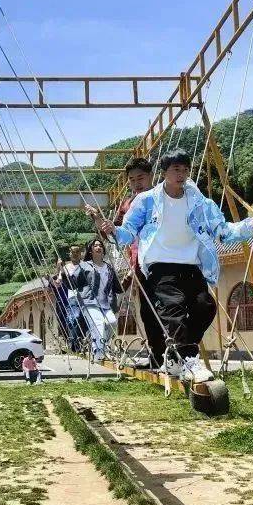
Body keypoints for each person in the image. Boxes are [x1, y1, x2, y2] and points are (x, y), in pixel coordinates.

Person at [89, 149, 253, 378]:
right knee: (173, 312)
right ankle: (189, 361)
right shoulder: (146, 201)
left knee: (205, 307)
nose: (181, 174)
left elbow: (222, 230)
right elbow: (127, 233)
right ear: (164, 172)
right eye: (176, 169)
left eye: (185, 170)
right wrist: (112, 229)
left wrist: (251, 224)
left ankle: (174, 357)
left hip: (191, 266)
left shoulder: (200, 202)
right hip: (160, 267)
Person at [114, 157, 166, 369]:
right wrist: (100, 222)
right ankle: (157, 356)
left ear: (151, 176)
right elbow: (115, 232)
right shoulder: (127, 204)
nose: (137, 183)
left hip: (165, 259)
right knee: (147, 311)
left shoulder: (163, 197)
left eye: (141, 178)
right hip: (140, 263)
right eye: (132, 180)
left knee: (168, 309)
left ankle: (176, 355)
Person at [72, 238, 123, 362]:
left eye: (100, 245)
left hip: (106, 303)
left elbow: (118, 287)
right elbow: (73, 282)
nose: (98, 247)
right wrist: (63, 274)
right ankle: (98, 352)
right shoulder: (84, 265)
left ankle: (101, 344)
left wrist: (128, 278)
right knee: (98, 323)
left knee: (112, 322)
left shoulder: (109, 267)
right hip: (89, 302)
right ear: (90, 250)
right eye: (95, 246)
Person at [52, 246, 88, 354]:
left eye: (77, 252)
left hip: (86, 297)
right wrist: (58, 269)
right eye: (73, 252)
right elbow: (57, 284)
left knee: (86, 319)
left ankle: (85, 342)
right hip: (73, 298)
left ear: (81, 254)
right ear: (70, 254)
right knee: (74, 318)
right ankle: (74, 345)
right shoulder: (66, 267)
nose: (75, 254)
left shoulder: (86, 266)